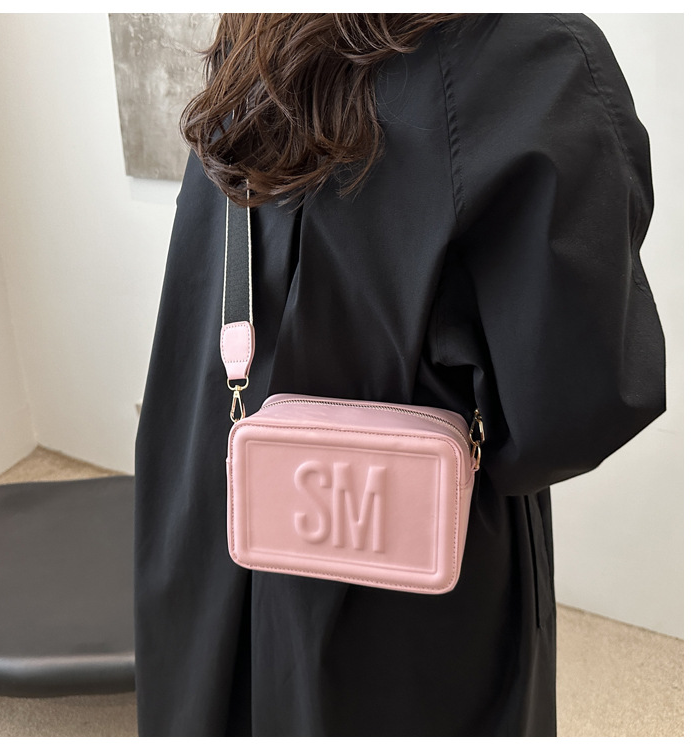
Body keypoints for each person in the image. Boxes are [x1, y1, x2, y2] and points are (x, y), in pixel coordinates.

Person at [133, 13, 666, 736]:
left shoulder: (253, 36)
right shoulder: (529, 56)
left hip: (206, 496)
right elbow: (573, 407)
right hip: (406, 571)